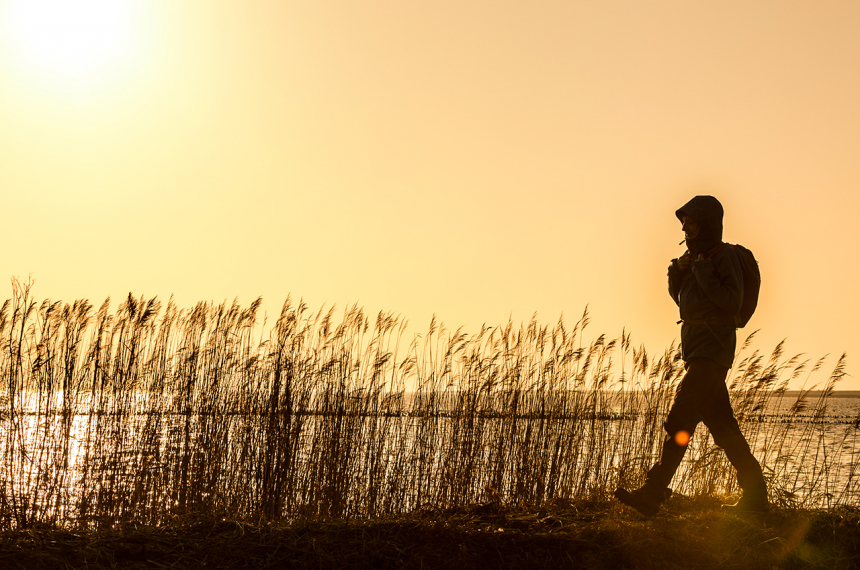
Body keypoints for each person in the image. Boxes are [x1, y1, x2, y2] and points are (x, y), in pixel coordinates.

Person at [614, 195, 768, 516]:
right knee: (722, 427)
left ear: (706, 223)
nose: (685, 227)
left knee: (681, 418)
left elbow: (730, 302)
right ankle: (756, 494)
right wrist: (678, 273)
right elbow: (685, 304)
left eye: (691, 221)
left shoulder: (722, 256)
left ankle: (654, 491)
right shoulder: (694, 257)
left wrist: (703, 271)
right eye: (684, 221)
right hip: (697, 349)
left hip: (713, 350)